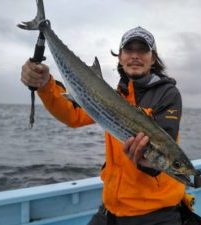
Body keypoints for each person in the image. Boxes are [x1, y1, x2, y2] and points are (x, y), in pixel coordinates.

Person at [21, 26, 184, 225]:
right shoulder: (113, 95)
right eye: (128, 50)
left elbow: (165, 139)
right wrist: (45, 83)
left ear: (153, 58)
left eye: (142, 50)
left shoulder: (167, 94)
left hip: (156, 214)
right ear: (120, 57)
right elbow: (73, 115)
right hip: (111, 210)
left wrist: (152, 165)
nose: (135, 56)